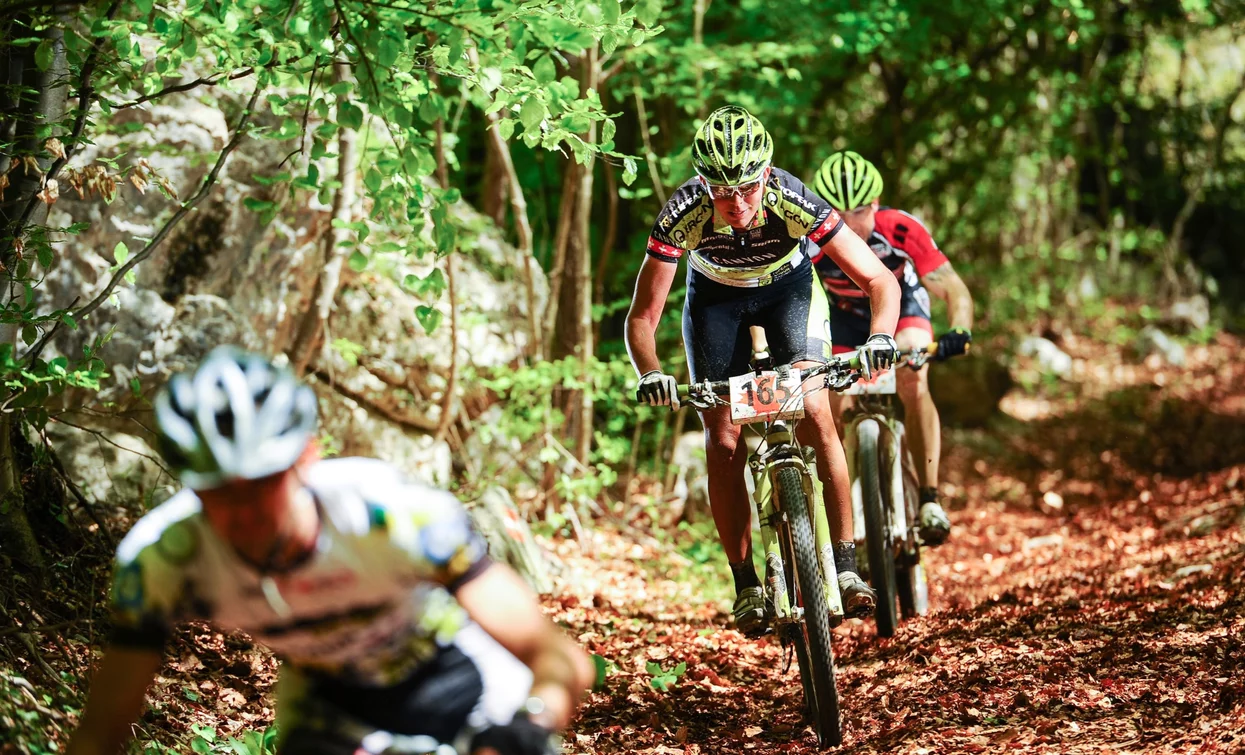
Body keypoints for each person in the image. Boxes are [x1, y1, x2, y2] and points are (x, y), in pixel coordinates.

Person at [68, 347, 593, 755]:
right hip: (329, 704)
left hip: (465, 679)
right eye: (217, 494)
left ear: (307, 458)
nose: (243, 512)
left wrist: (531, 722)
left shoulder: (391, 515)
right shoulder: (163, 559)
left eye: (262, 485)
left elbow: (561, 658)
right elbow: (103, 731)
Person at [625, 106, 902, 636]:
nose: (737, 203)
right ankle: (746, 582)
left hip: (787, 292)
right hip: (714, 301)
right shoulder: (681, 212)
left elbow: (879, 281)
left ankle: (846, 567)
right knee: (723, 435)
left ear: (768, 174)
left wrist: (881, 337)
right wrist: (650, 372)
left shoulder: (793, 198)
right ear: (703, 184)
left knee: (817, 411)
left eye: (748, 188)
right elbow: (643, 316)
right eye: (722, 192)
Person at [810, 150, 976, 546]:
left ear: (877, 205)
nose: (850, 223)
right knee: (828, 401)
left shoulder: (901, 229)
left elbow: (954, 288)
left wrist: (959, 331)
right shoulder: (811, 238)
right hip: (846, 316)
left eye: (860, 212)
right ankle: (841, 504)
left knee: (913, 373)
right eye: (839, 212)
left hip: (903, 309)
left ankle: (931, 497)